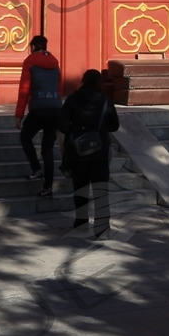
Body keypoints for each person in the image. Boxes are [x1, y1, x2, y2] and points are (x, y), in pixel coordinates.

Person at [59, 69, 120, 238]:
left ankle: (81, 223)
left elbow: (62, 125)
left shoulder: (72, 100)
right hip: (100, 152)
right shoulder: (106, 101)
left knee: (80, 189)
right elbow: (114, 126)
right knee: (101, 190)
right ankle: (101, 228)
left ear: (83, 81)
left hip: (78, 152)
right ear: (99, 82)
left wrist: (76, 129)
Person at [16, 34, 63, 195]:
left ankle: (36, 169)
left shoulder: (30, 61)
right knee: (47, 149)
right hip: (56, 109)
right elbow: (59, 87)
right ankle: (48, 187)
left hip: (38, 109)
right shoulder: (55, 62)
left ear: (33, 46)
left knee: (25, 136)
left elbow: (24, 90)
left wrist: (19, 115)